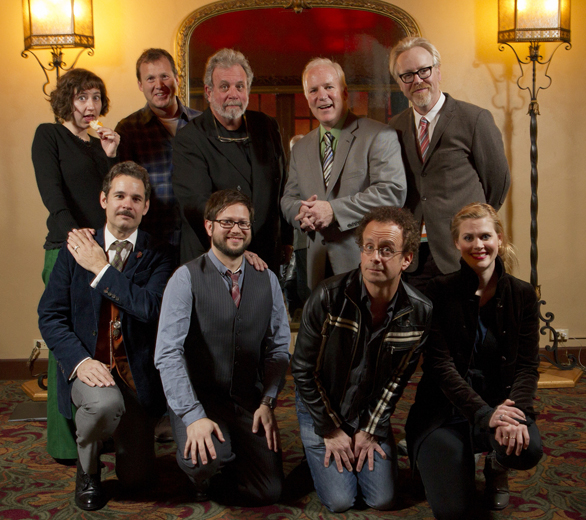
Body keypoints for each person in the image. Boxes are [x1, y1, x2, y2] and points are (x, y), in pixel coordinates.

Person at [38, 162, 173, 511]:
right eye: (119, 195)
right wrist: (80, 362)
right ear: (103, 200)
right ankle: (88, 469)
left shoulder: (159, 256)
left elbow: (150, 309)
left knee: (139, 481)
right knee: (103, 404)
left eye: (136, 198)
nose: (126, 203)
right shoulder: (75, 248)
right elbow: (50, 316)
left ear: (145, 206)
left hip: (135, 377)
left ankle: (127, 444)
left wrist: (101, 268)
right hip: (89, 368)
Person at [405, 203, 543, 519]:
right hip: (445, 411)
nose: (478, 245)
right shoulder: (439, 289)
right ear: (456, 243)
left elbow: (526, 366)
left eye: (485, 236)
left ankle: (495, 464)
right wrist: (482, 413)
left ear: (500, 239)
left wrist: (515, 413)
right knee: (454, 511)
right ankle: (444, 460)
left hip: (500, 405)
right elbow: (439, 365)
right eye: (468, 238)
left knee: (528, 449)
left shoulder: (522, 294)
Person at [291, 207, 432, 513]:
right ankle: (315, 452)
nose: (375, 257)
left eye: (386, 250)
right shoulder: (328, 296)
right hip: (320, 405)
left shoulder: (420, 312)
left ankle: (342, 452)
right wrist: (330, 430)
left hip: (367, 411)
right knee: (341, 501)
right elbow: (302, 371)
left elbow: (397, 380)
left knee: (381, 500)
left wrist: (370, 429)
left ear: (406, 259)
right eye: (369, 247)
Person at [155, 189, 290, 504]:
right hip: (200, 399)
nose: (236, 229)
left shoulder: (267, 278)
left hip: (247, 401)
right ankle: (204, 471)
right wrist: (191, 415)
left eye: (243, 223)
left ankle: (232, 457)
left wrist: (267, 402)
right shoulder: (185, 278)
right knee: (208, 459)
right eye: (227, 222)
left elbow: (279, 348)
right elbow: (167, 353)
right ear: (209, 226)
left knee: (269, 491)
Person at [32, 68, 120, 463]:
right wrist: (78, 240)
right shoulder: (48, 135)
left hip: (100, 252)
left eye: (96, 98)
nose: (90, 106)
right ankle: (65, 444)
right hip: (67, 248)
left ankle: (100, 431)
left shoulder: (98, 145)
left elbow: (109, 198)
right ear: (66, 99)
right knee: (64, 344)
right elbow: (53, 196)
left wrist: (110, 156)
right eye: (82, 97)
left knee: (100, 336)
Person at [388, 37, 511, 292]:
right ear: (400, 84)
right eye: (407, 75)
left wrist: (473, 224)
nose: (418, 80)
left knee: (464, 330)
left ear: (438, 71)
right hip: (413, 259)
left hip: (461, 254)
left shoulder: (475, 119)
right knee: (420, 330)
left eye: (424, 70)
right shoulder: (392, 128)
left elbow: (497, 184)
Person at [281, 58, 406, 291]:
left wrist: (333, 211)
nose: (322, 95)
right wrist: (300, 212)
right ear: (307, 98)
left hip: (365, 264)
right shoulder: (300, 147)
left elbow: (392, 192)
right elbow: (288, 198)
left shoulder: (378, 135)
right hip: (316, 268)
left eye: (329, 87)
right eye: (313, 90)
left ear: (344, 92)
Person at [172, 48, 290, 271]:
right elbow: (196, 204)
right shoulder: (190, 138)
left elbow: (281, 187)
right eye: (224, 86)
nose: (233, 94)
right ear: (208, 91)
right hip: (215, 257)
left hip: (264, 254)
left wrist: (287, 239)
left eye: (240, 86)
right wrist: (234, 245)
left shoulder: (266, 126)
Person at [115, 48, 201, 257]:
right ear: (140, 85)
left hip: (198, 238)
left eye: (164, 76)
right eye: (150, 78)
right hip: (150, 242)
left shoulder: (202, 124)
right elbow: (121, 189)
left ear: (177, 78)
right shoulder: (128, 129)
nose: (159, 85)